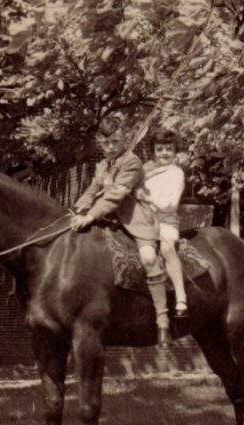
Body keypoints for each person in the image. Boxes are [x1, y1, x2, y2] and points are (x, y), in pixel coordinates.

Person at [70, 118, 169, 345]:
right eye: (106, 143)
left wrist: (90, 215)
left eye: (115, 141)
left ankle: (162, 319)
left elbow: (115, 195)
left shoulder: (132, 162)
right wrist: (76, 210)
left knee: (148, 258)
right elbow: (92, 190)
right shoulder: (102, 165)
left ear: (124, 138)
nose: (111, 147)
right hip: (108, 221)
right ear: (99, 143)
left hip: (136, 221)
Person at [135, 127, 188, 333]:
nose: (164, 153)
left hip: (166, 220)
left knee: (167, 248)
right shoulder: (146, 169)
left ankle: (181, 298)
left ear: (175, 151)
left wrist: (148, 198)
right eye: (160, 149)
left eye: (169, 149)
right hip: (144, 220)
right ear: (154, 151)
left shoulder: (176, 173)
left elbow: (171, 204)